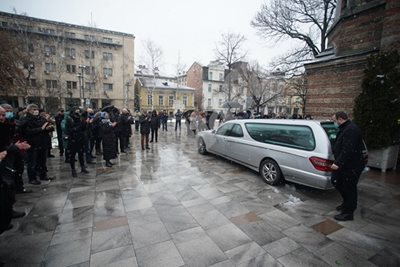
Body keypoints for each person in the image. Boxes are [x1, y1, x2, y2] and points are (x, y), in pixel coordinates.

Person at [331, 111, 366, 221]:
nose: (334, 123)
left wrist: (337, 163)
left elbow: (348, 150)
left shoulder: (351, 130)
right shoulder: (346, 128)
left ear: (340, 119)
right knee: (336, 181)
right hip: (345, 164)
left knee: (349, 188)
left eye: (334, 120)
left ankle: (348, 213)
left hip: (351, 166)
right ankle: (346, 203)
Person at [18, 104, 55, 185]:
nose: (36, 111)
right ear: (28, 110)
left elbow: (49, 127)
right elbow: (27, 132)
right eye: (33, 109)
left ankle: (43, 175)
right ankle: (32, 178)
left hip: (42, 142)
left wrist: (49, 128)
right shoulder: (25, 120)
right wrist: (40, 129)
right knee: (32, 162)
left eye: (36, 109)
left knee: (42, 161)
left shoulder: (41, 118)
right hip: (32, 143)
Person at [65, 107, 89, 177]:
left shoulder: (81, 118)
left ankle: (83, 167)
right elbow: (68, 130)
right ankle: (73, 170)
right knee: (72, 155)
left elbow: (84, 128)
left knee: (81, 154)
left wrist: (85, 123)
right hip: (73, 139)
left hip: (80, 138)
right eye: (76, 111)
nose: (78, 112)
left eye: (79, 111)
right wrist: (77, 128)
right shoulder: (69, 119)